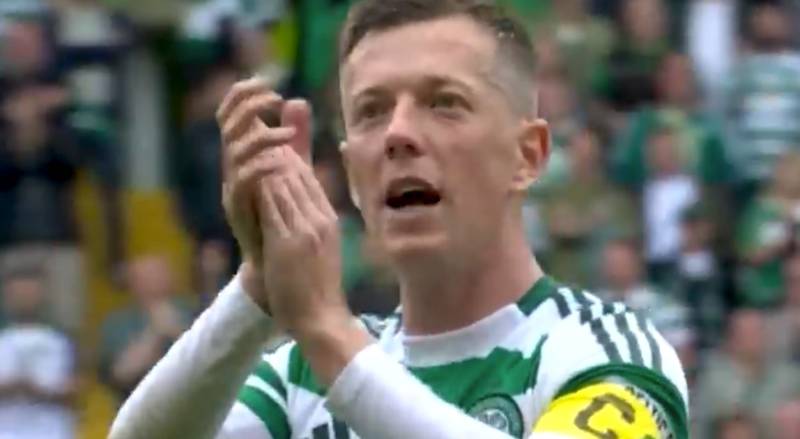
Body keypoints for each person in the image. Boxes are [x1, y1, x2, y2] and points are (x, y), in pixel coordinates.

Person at [110, 1, 688, 438]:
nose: (398, 133)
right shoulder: (298, 379)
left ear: (528, 155)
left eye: (444, 102)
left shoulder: (611, 353)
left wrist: (327, 332)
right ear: (349, 173)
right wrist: (258, 288)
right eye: (371, 111)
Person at [98, 255, 193, 404]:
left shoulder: (194, 311)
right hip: (138, 406)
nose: (157, 279)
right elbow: (122, 373)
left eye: (161, 272)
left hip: (190, 401)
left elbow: (207, 359)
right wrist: (155, 332)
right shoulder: (118, 322)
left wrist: (176, 332)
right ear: (133, 283)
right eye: (148, 275)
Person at [0, 268, 77, 439]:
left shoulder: (63, 339)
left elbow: (80, 387)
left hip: (53, 433)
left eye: (30, 292)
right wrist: (11, 386)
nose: (25, 298)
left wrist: (42, 390)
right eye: (19, 293)